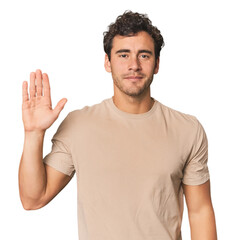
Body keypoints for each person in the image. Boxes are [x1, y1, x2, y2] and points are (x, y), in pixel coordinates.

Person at [18, 10, 217, 240]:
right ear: (107, 62)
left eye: (144, 55)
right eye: (123, 55)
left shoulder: (187, 130)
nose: (134, 65)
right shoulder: (79, 125)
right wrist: (33, 133)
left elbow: (200, 212)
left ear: (157, 64)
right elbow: (33, 199)